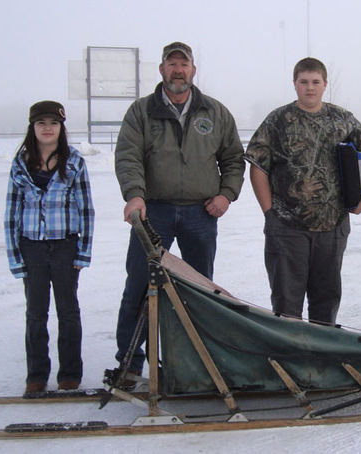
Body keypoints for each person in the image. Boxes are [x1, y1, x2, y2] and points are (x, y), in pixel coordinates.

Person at [113, 42, 245, 379]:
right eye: (171, 64)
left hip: (200, 214)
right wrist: (135, 195)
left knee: (200, 291)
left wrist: (226, 195)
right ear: (161, 70)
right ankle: (129, 364)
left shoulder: (215, 112)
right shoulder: (141, 112)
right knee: (140, 286)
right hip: (152, 213)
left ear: (193, 71)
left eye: (183, 64)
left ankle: (198, 362)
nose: (177, 70)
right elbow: (128, 157)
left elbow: (233, 159)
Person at [245, 57, 361, 326]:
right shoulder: (278, 120)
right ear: (295, 84)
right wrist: (269, 213)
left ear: (325, 84)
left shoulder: (342, 118)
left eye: (315, 82)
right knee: (287, 305)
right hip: (287, 228)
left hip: (332, 227)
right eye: (304, 82)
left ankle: (320, 362)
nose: (310, 88)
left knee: (326, 301)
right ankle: (289, 362)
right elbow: (257, 168)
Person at [4, 100, 95, 394]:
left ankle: (69, 373)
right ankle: (37, 375)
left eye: (53, 123)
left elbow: (86, 210)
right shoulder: (21, 164)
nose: (47, 128)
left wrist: (83, 250)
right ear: (33, 127)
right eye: (41, 123)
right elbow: (11, 214)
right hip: (32, 248)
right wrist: (16, 256)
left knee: (68, 311)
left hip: (65, 246)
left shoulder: (74, 162)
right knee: (36, 312)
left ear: (61, 128)